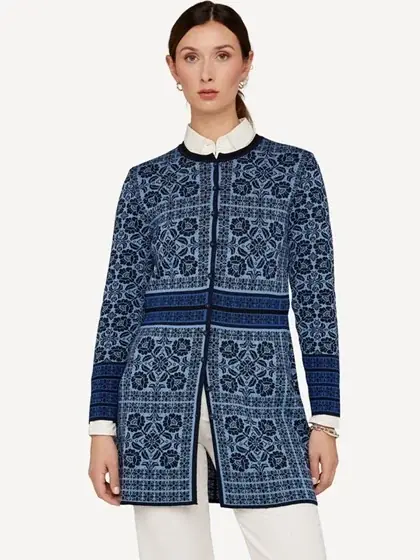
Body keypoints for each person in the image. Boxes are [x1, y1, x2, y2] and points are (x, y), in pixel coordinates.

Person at [87, 2, 340, 558]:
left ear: (246, 64)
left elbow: (316, 297)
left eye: (222, 56)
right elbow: (119, 303)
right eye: (191, 57)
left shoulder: (293, 171)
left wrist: (325, 419)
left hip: (264, 400)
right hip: (154, 407)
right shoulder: (146, 182)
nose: (206, 72)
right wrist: (101, 426)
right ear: (172, 68)